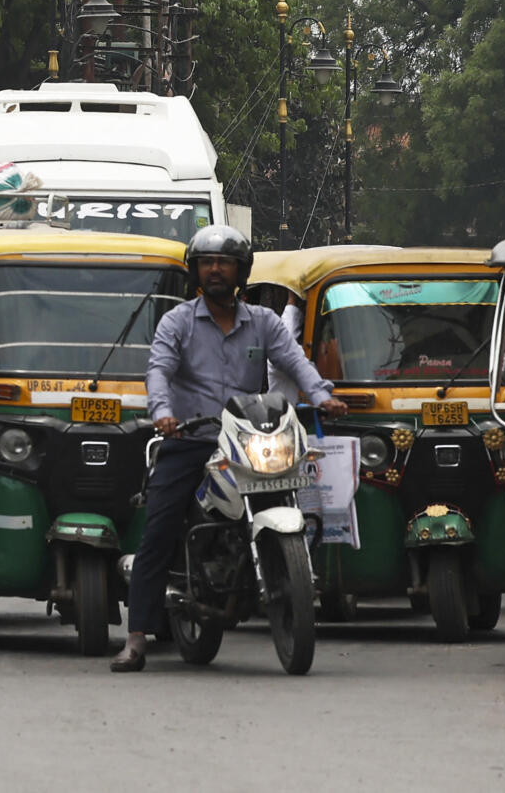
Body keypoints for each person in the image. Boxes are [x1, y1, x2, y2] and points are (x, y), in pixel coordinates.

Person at [116, 226, 343, 673]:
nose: (215, 269)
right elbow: (158, 371)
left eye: (224, 262)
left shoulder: (263, 321)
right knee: (159, 530)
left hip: (249, 440)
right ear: (196, 271)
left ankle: (294, 578)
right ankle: (137, 637)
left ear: (241, 271)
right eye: (207, 262)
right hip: (191, 440)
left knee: (296, 488)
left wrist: (321, 396)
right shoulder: (177, 321)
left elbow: (293, 360)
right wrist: (162, 412)